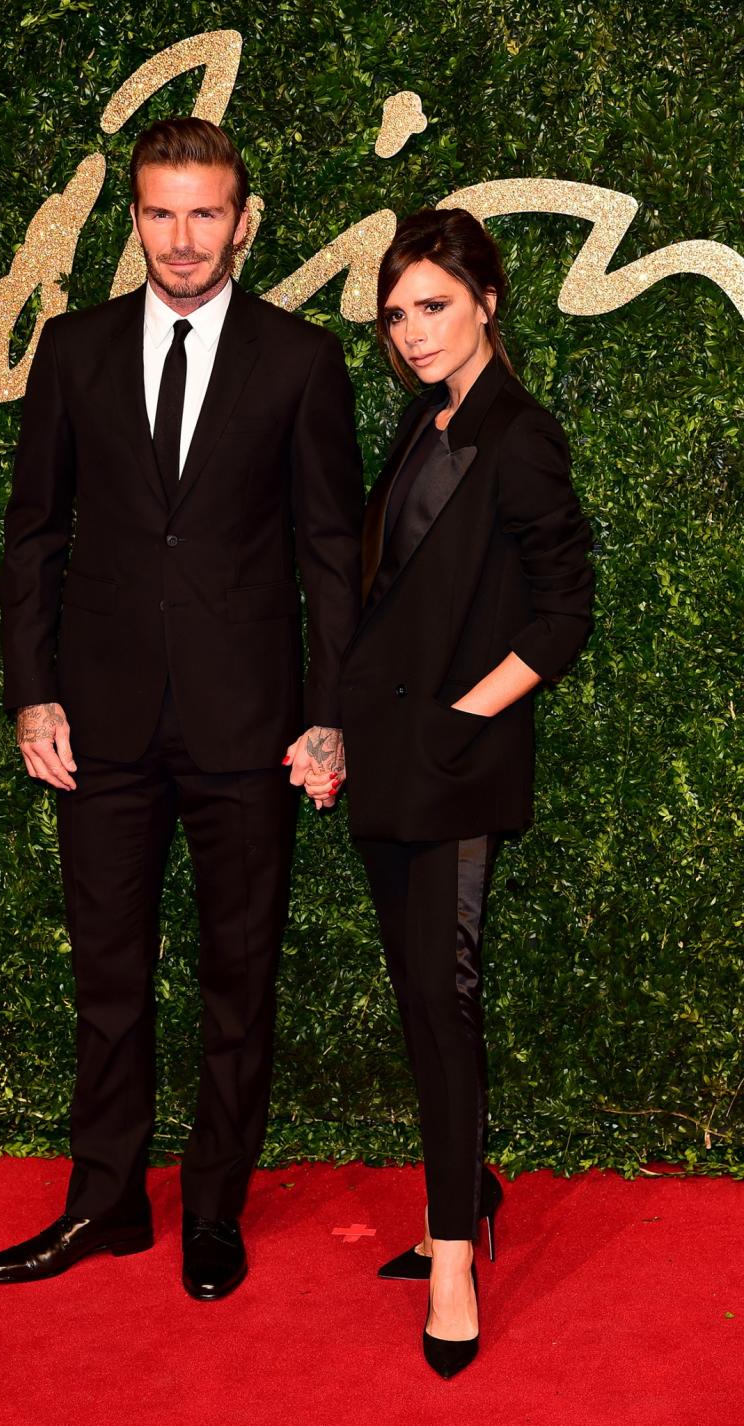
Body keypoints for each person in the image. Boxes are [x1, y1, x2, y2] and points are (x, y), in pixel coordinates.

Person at [0, 117, 363, 1299]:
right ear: (134, 216)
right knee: (108, 972)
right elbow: (35, 533)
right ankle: (104, 1203)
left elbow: (330, 555)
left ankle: (212, 1208)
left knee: (237, 977)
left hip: (249, 728)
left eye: (206, 213)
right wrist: (32, 690)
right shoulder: (73, 349)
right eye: (160, 211)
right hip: (97, 725)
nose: (183, 237)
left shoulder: (299, 361)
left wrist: (329, 710)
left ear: (242, 222)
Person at [309, 208, 594, 1376]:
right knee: (426, 997)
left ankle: (454, 1261)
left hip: (451, 770)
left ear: (487, 300)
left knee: (443, 1003)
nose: (412, 331)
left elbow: (564, 612)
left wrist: (460, 718)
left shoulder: (518, 434)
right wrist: (344, 734)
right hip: (391, 766)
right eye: (396, 313)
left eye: (433, 305)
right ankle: (465, 1192)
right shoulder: (429, 424)